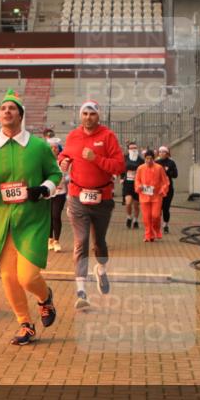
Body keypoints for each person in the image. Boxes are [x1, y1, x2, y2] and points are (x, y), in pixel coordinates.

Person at [0, 90, 61, 345]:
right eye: (3, 109)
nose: (6, 112)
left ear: (20, 115)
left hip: (32, 219)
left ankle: (45, 298)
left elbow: (55, 175)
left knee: (28, 276)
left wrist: (45, 189)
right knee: (9, 278)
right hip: (2, 221)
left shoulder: (39, 147)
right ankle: (25, 324)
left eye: (12, 108)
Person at [58, 101, 125, 310]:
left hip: (102, 198)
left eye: (92, 114)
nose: (88, 117)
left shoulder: (107, 136)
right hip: (77, 197)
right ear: (81, 115)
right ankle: (81, 291)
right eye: (85, 113)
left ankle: (101, 270)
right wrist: (63, 162)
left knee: (99, 243)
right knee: (81, 241)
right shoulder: (73, 136)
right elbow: (64, 155)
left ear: (98, 116)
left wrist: (96, 158)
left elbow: (119, 166)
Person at [134, 149, 170, 242]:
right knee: (146, 217)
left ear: (153, 159)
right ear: (144, 158)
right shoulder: (140, 168)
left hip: (156, 196)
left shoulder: (159, 168)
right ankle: (148, 235)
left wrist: (163, 190)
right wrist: (139, 186)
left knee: (155, 216)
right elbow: (137, 180)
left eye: (150, 158)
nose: (148, 160)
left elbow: (165, 181)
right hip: (144, 196)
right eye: (147, 158)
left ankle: (156, 229)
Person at [47, 138, 69, 252]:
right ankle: (49, 239)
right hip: (48, 193)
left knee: (56, 215)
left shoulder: (63, 162)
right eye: (51, 147)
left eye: (55, 147)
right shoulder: (44, 162)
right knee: (49, 216)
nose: (53, 149)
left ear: (59, 149)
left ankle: (57, 241)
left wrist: (63, 180)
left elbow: (68, 176)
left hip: (60, 193)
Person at [155, 145, 178, 234]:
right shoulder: (156, 162)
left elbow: (175, 175)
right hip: (158, 189)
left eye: (163, 152)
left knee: (166, 208)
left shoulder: (171, 163)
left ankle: (165, 224)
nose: (161, 153)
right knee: (157, 208)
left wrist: (167, 171)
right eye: (160, 152)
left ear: (167, 153)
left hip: (168, 189)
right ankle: (157, 225)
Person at [121, 140, 144, 229]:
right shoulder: (125, 158)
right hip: (128, 183)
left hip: (138, 184)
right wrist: (122, 177)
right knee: (128, 203)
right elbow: (122, 168)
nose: (133, 149)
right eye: (131, 148)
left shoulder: (141, 160)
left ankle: (135, 220)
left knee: (136, 204)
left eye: (135, 148)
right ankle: (129, 217)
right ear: (128, 149)